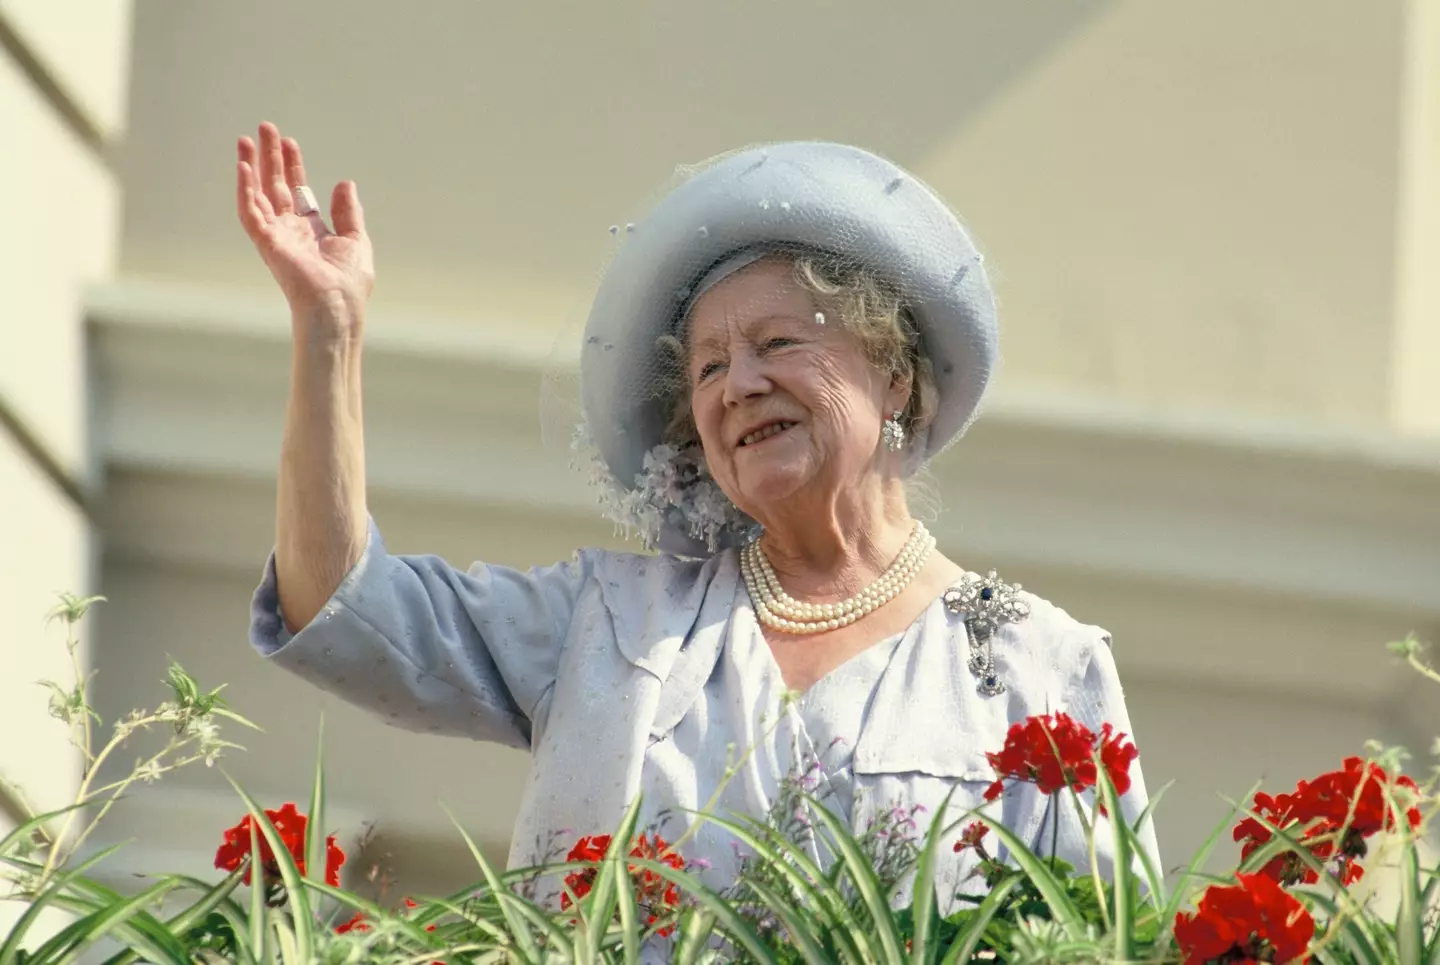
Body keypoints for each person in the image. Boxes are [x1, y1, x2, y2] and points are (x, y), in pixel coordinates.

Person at [236, 122, 1159, 908]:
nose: (739, 384)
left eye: (778, 343)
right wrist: (329, 332)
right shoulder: (605, 622)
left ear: (894, 375)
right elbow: (346, 613)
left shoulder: (1041, 665)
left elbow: (1108, 940)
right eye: (709, 368)